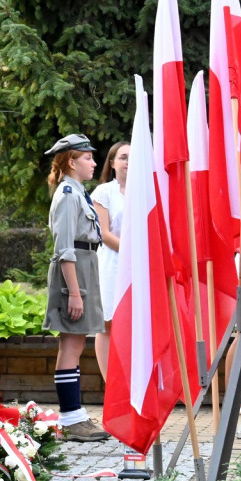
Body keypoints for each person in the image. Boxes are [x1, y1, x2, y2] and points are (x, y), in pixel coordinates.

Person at [42, 133, 110, 442]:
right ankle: (71, 419)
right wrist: (73, 292)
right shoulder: (68, 194)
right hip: (74, 269)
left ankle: (75, 415)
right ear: (71, 161)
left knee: (76, 342)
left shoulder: (77, 191)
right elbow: (64, 248)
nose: (94, 163)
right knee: (71, 343)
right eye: (87, 158)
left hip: (84, 265)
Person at [91, 141, 129, 382]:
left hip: (140, 265)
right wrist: (131, 251)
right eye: (123, 157)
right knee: (108, 323)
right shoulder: (104, 192)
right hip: (113, 262)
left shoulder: (147, 190)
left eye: (133, 158)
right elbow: (104, 234)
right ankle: (110, 383)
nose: (128, 163)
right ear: (113, 163)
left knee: (133, 322)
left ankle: (131, 381)